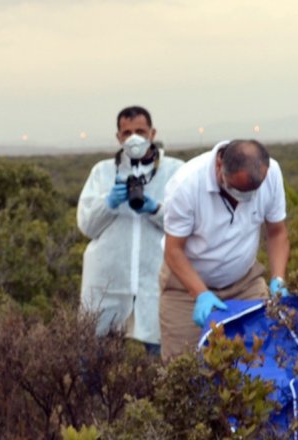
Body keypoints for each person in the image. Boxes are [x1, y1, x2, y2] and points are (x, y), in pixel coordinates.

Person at [160, 138, 291, 360]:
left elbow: (277, 232)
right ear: (219, 166)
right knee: (184, 366)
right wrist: (200, 293)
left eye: (251, 192)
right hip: (185, 288)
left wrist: (278, 279)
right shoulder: (186, 184)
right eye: (236, 190)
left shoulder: (271, 174)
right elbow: (174, 251)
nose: (243, 199)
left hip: (245, 283)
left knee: (258, 360)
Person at [77, 105, 183, 356]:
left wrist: (155, 209)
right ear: (118, 137)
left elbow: (188, 223)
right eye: (127, 133)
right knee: (93, 354)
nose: (134, 138)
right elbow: (87, 226)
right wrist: (108, 203)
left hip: (156, 276)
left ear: (152, 132)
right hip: (107, 279)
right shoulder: (102, 172)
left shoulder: (174, 170)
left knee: (163, 353)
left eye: (140, 131)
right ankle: (93, 397)